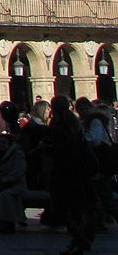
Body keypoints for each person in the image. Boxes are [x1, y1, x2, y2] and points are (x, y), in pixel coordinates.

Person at [48, 95, 97, 255]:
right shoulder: (72, 121)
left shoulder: (60, 124)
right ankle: (80, 240)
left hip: (66, 171)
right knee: (76, 208)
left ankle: (80, 240)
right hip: (77, 171)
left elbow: (61, 148)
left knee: (64, 209)